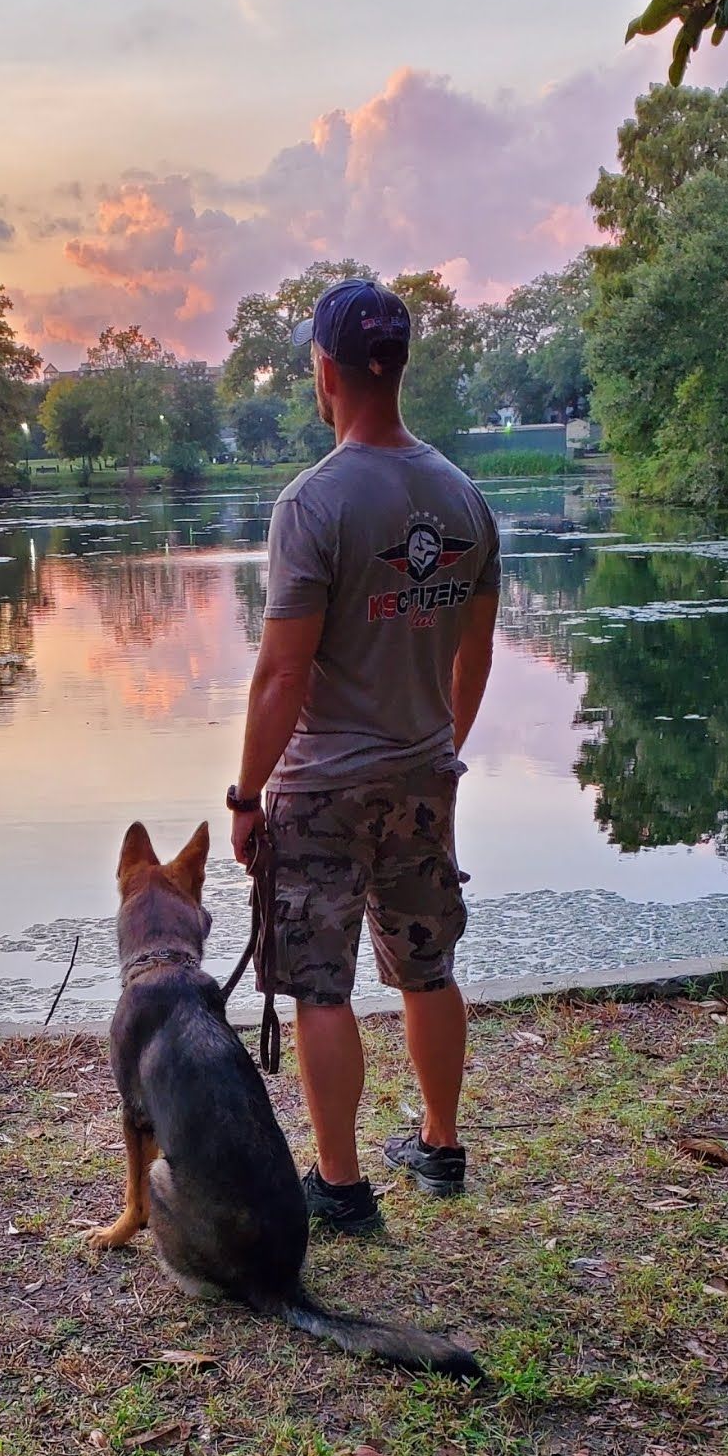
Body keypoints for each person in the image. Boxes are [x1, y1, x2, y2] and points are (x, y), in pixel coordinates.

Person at [228, 278, 499, 1229]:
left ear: (326, 369)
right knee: (428, 966)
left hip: (323, 789)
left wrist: (245, 794)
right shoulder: (462, 496)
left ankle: (340, 1185)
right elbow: (478, 649)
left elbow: (281, 676)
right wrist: (439, 749)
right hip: (424, 777)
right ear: (400, 365)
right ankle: (439, 1144)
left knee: (321, 986)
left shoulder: (313, 505)